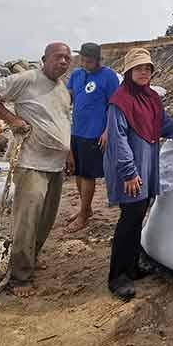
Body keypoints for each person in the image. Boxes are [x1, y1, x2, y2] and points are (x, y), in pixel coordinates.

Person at [104, 47, 173, 300]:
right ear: (128, 72)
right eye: (138, 68)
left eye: (147, 68)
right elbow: (118, 140)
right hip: (129, 169)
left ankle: (132, 266)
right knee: (129, 219)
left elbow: (167, 127)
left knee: (138, 214)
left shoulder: (151, 98)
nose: (144, 72)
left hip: (147, 164)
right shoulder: (120, 101)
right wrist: (129, 172)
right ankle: (118, 277)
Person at [0, 42, 73, 296]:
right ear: (44, 59)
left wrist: (69, 152)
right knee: (27, 219)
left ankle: (31, 260)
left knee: (46, 218)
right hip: (31, 162)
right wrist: (11, 119)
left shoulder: (62, 88)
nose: (63, 61)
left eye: (66, 58)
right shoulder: (28, 79)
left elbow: (62, 122)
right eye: (58, 57)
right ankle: (19, 276)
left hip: (55, 164)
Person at [64, 42, 119, 232]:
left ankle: (84, 214)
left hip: (94, 133)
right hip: (76, 130)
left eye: (90, 61)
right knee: (78, 173)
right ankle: (84, 209)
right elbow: (68, 97)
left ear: (98, 60)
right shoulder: (77, 74)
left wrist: (107, 131)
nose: (86, 64)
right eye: (83, 60)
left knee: (88, 175)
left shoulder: (109, 76)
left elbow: (115, 106)